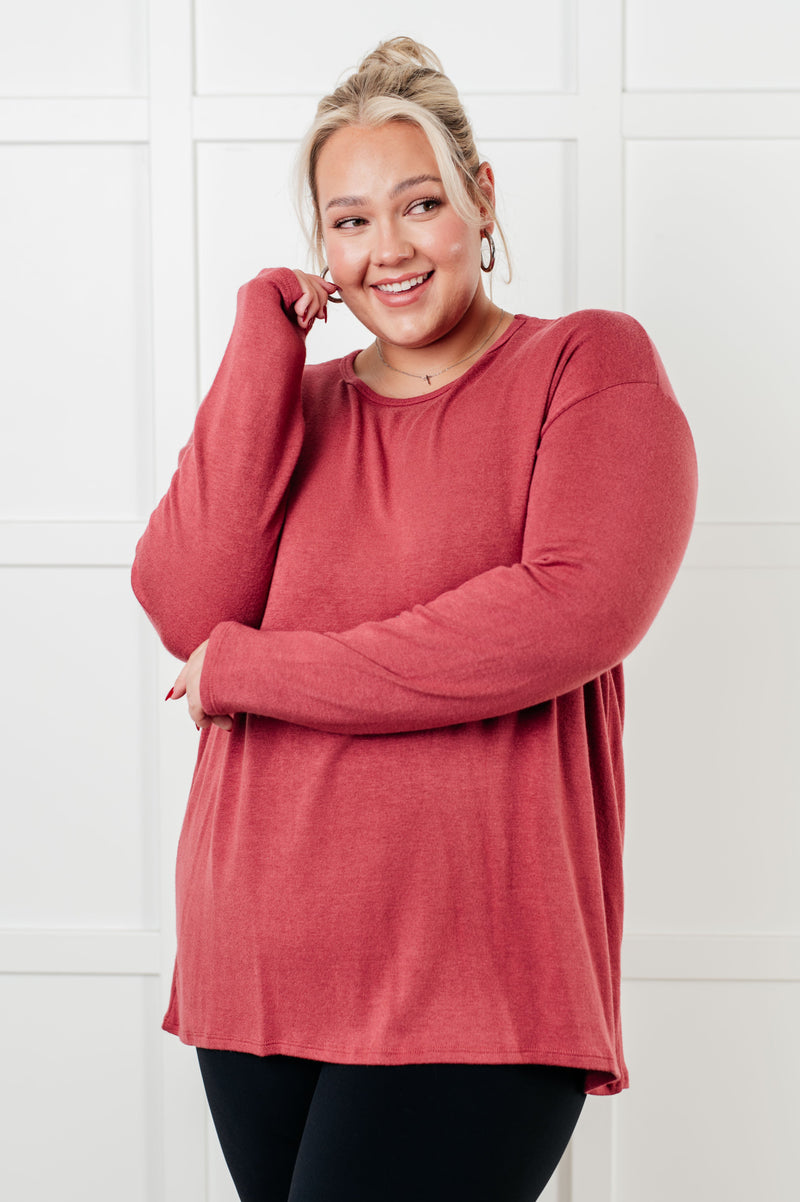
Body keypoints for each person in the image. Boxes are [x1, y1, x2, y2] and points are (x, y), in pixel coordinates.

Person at [132, 36, 697, 1202]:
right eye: (346, 222)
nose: (385, 248)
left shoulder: (585, 365)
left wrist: (254, 671)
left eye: (419, 203)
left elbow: (561, 613)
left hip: (477, 966)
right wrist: (259, 345)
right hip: (258, 948)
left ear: (480, 199)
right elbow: (184, 604)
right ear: (321, 248)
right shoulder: (295, 403)